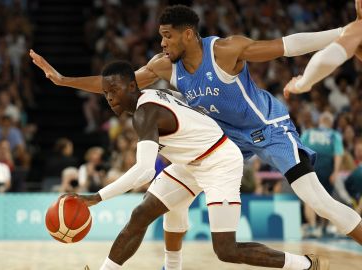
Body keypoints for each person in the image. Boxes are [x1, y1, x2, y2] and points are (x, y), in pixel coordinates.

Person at [30, 4, 362, 245]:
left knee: (318, 201)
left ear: (188, 35)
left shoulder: (225, 50)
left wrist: (343, 34)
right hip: (224, 141)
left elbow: (288, 46)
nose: (161, 43)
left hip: (269, 130)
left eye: (167, 37)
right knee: (174, 194)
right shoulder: (164, 66)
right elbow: (118, 82)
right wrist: (63, 80)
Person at [75, 61, 325, 270]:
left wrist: (98, 197)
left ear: (132, 86)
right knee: (142, 214)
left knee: (226, 250)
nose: (109, 98)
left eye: (114, 90)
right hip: (190, 163)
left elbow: (144, 171)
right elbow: (182, 102)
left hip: (219, 162)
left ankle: (303, 264)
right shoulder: (152, 93)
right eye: (105, 93)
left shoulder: (144, 113)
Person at [300, 112, 344, 238]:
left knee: (309, 198)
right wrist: (335, 172)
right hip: (327, 170)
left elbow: (299, 149)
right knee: (327, 198)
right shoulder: (334, 135)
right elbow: (338, 153)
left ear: (320, 121)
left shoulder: (308, 132)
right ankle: (327, 227)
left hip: (309, 167)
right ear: (330, 123)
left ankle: (314, 227)